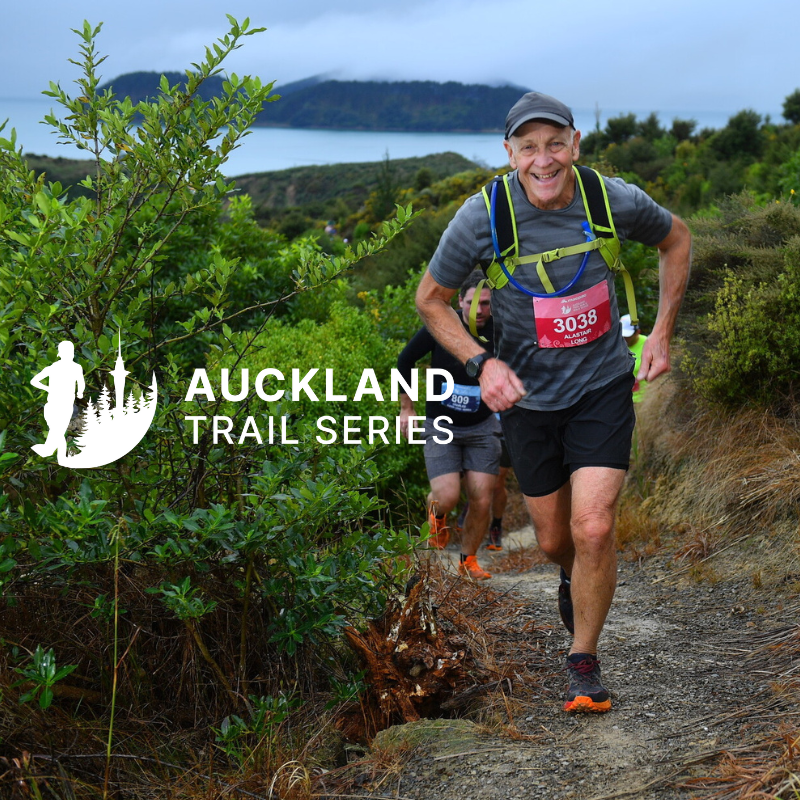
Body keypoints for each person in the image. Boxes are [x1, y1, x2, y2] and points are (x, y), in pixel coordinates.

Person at [415, 91, 691, 712]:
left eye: (555, 144)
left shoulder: (609, 200)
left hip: (601, 386)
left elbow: (677, 240)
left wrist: (662, 333)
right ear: (509, 152)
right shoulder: (481, 216)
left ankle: (583, 662)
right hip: (529, 403)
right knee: (549, 540)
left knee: (593, 525)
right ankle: (571, 573)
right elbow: (431, 298)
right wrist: (481, 363)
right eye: (529, 147)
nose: (545, 161)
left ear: (575, 143)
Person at [398, 270, 501, 581]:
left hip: (483, 426)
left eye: (485, 304)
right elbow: (405, 360)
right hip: (440, 423)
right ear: (460, 301)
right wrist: (407, 407)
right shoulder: (441, 324)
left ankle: (467, 562)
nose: (479, 310)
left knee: (482, 497)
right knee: (447, 496)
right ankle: (436, 515)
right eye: (472, 303)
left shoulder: (503, 330)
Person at [30, 340, 85, 465]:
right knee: (57, 430)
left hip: (61, 404)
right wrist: (79, 393)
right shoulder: (63, 367)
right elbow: (34, 381)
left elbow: (34, 381)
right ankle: (56, 455)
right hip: (58, 404)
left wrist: (48, 388)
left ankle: (51, 452)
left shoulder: (63, 367)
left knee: (57, 430)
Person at [621, 313, 648, 403]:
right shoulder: (616, 346)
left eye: (627, 336)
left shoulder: (648, 345)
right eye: (622, 335)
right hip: (623, 401)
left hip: (644, 400)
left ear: (637, 332)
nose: (624, 338)